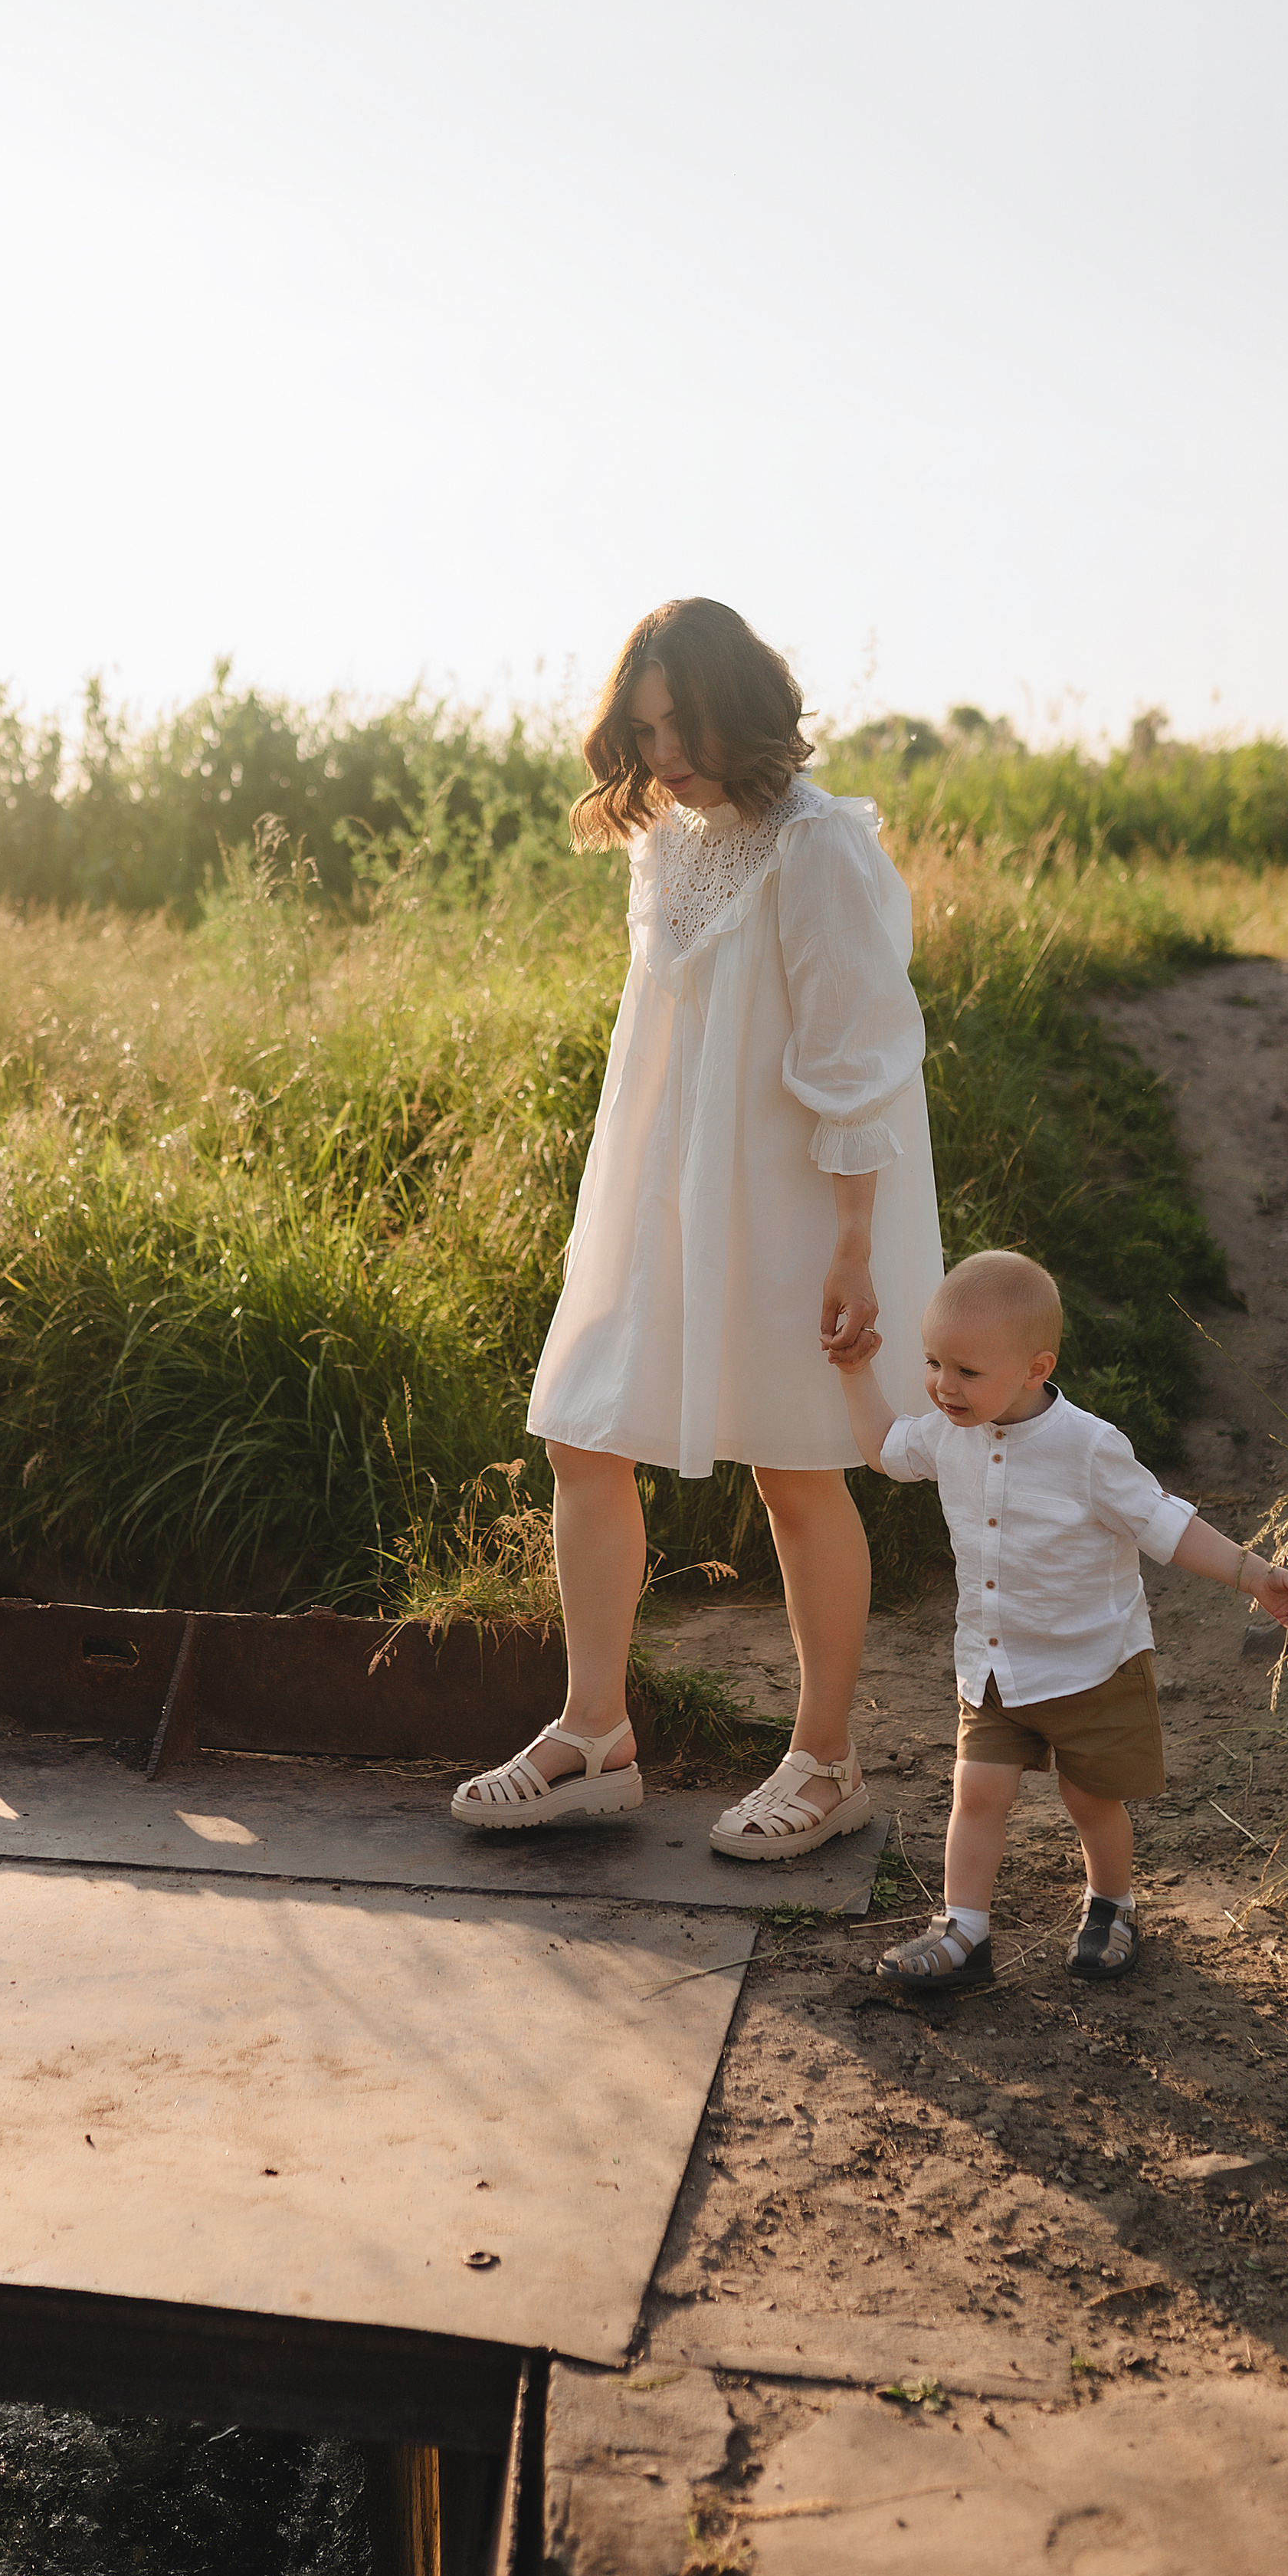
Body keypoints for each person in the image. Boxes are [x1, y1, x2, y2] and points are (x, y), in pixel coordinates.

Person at [450, 596, 943, 1856]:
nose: (662, 751)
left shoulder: (823, 844)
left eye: (682, 722)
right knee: (582, 1429)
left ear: (740, 706)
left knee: (796, 1467)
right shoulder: (667, 842)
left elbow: (860, 1052)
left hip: (792, 1197)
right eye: (645, 725)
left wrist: (852, 1241)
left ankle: (828, 1763)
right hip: (667, 1185)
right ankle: (596, 1733)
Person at [834, 1246, 1288, 1984]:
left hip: (1093, 1664)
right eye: (935, 1362)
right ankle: (964, 1931)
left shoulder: (1089, 1447)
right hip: (996, 1664)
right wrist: (854, 1371)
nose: (942, 1386)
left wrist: (1254, 1575)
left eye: (968, 1371)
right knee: (977, 1793)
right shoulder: (949, 1431)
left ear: (1036, 1367)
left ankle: (1111, 1904)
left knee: (1090, 1799)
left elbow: (1165, 1525)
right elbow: (882, 1448)